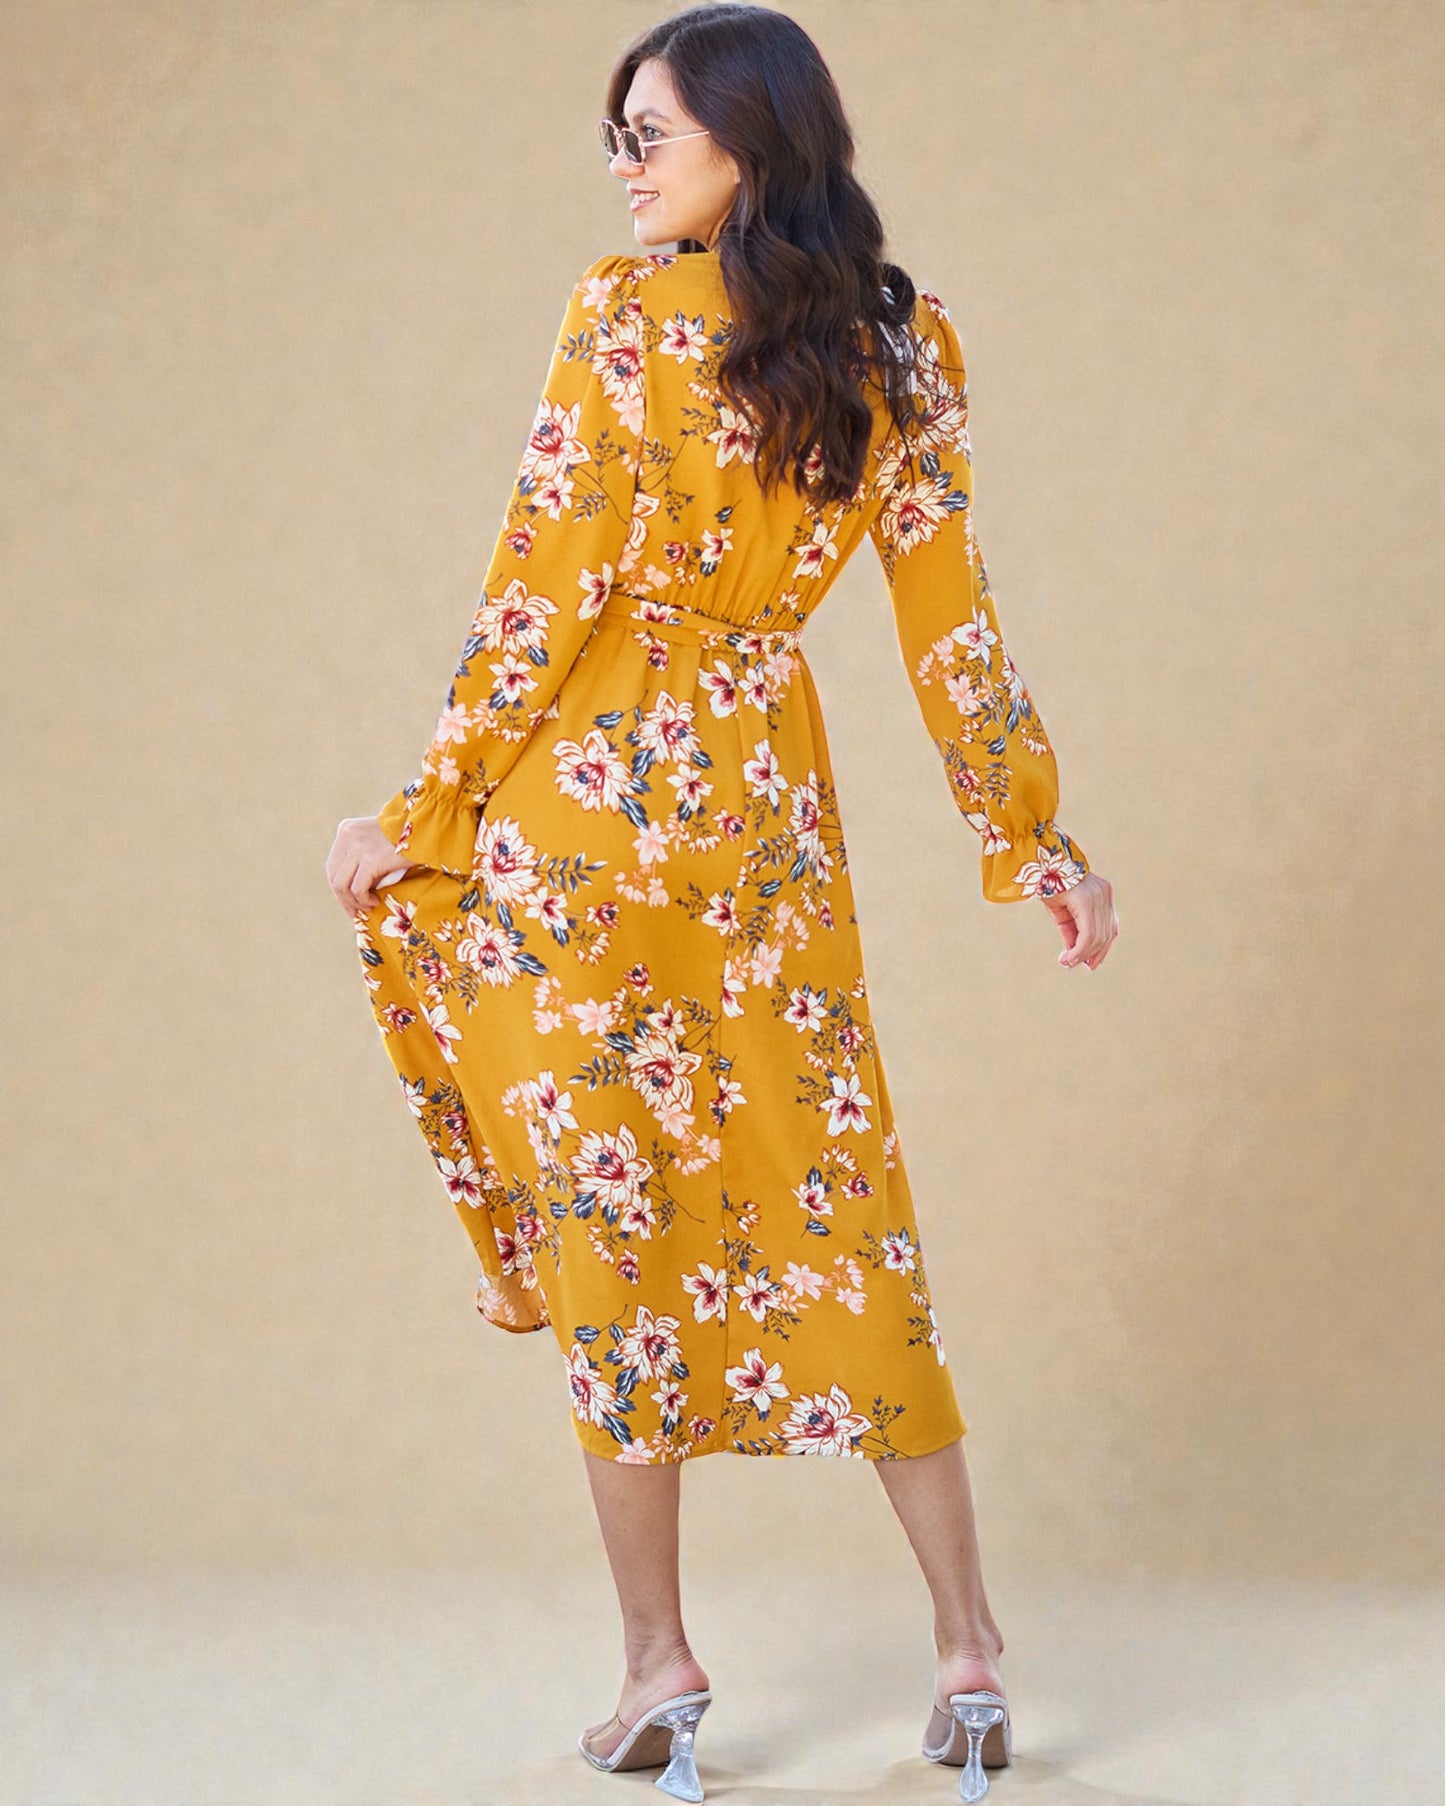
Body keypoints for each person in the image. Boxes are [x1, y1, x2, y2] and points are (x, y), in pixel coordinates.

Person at [326, 5, 1118, 1799]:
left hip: (577, 824)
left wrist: (421, 806)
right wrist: (1029, 835)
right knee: (834, 1194)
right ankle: (969, 1652)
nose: (622, 161)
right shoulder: (906, 347)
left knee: (613, 1229)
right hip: (760, 813)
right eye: (613, 133)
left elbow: (539, 589)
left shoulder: (618, 321)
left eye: (650, 131)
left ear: (752, 140)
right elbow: (948, 621)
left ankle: (657, 1670)